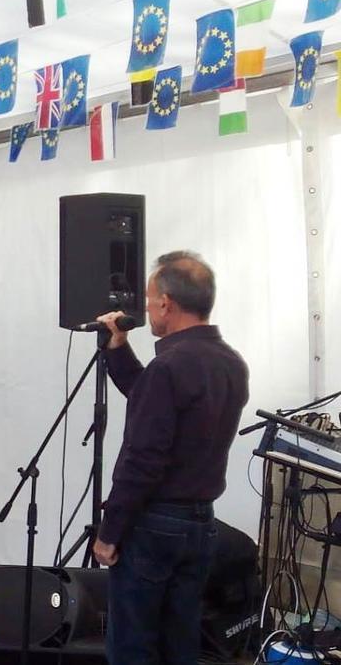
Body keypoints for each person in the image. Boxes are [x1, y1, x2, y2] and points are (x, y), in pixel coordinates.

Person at [91, 252, 249, 664]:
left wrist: (110, 533)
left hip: (155, 525)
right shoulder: (231, 364)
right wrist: (118, 351)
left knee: (133, 645)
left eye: (148, 299)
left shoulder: (170, 367)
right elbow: (157, 404)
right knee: (179, 643)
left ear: (166, 303)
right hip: (200, 523)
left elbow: (143, 459)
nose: (145, 308)